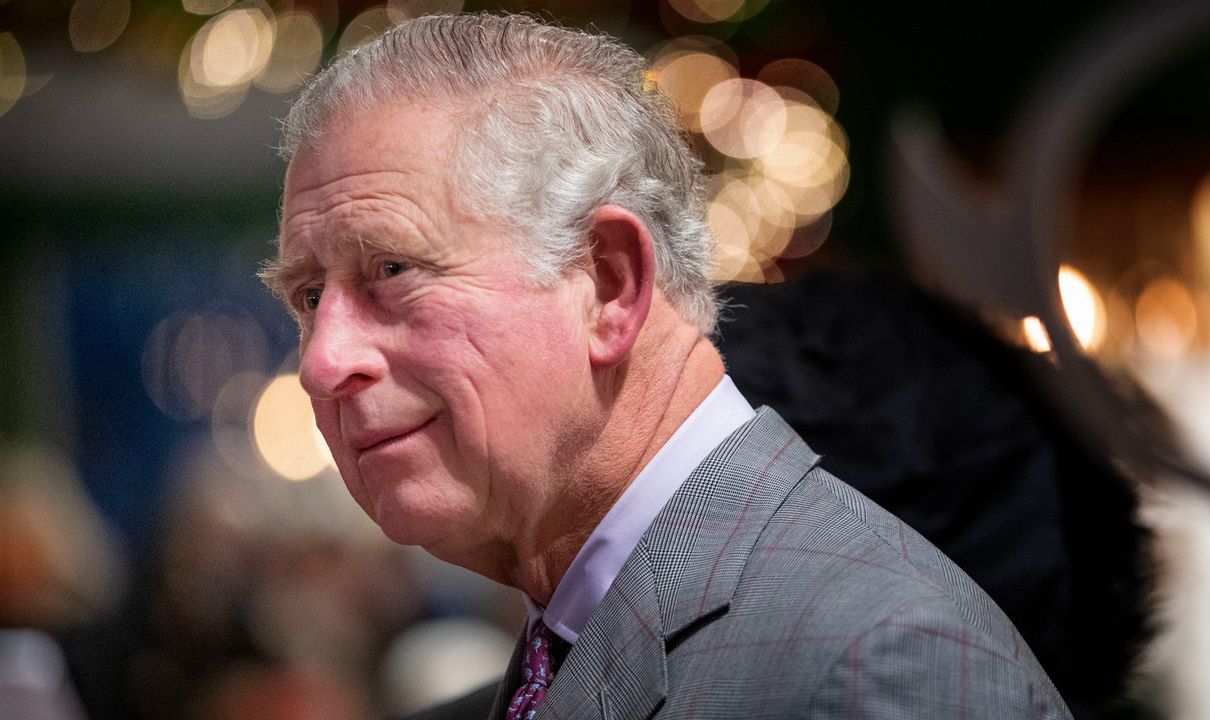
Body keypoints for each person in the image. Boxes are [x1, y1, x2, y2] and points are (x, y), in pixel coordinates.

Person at [260, 12, 1071, 719]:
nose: (324, 363)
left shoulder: (876, 662)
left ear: (610, 284)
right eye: (306, 297)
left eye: (393, 271)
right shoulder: (580, 634)